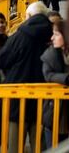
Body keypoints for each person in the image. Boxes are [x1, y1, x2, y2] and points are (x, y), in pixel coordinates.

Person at [0, 1, 52, 153]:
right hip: (44, 99)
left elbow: (2, 58)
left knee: (15, 144)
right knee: (40, 145)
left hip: (18, 98)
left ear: (28, 16)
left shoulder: (20, 35)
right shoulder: (53, 34)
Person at [41, 20, 69, 149]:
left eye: (56, 34)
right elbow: (48, 75)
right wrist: (66, 79)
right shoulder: (49, 55)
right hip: (53, 114)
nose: (52, 38)